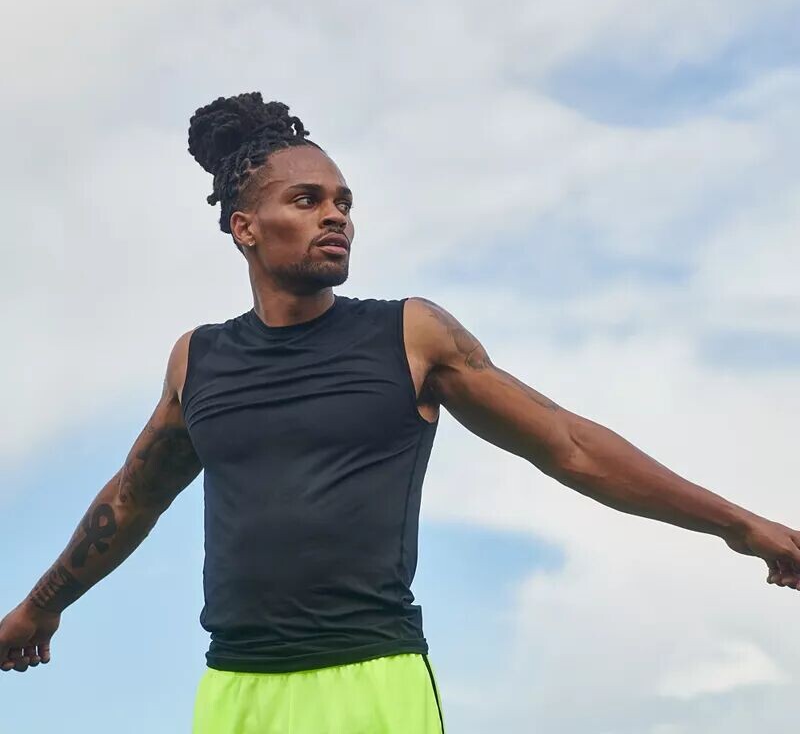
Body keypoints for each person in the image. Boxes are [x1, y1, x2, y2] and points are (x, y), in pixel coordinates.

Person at [1, 92, 799, 733]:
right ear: (245, 227)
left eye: (343, 202)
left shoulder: (410, 336)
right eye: (306, 200)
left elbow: (568, 444)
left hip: (372, 680)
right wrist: (41, 608)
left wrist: (739, 525)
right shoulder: (198, 360)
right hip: (235, 687)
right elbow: (130, 500)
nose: (336, 216)